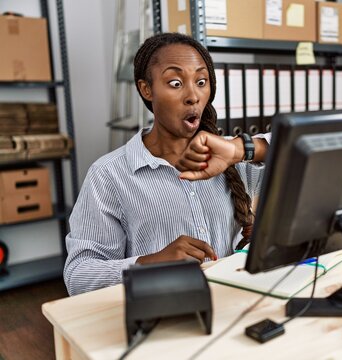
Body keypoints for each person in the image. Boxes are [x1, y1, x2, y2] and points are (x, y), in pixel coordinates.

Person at [64, 33, 269, 296]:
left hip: (232, 308)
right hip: (162, 316)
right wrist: (150, 262)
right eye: (175, 83)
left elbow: (311, 148)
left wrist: (243, 148)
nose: (193, 95)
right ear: (146, 89)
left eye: (201, 82)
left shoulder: (231, 156)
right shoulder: (108, 176)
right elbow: (78, 276)